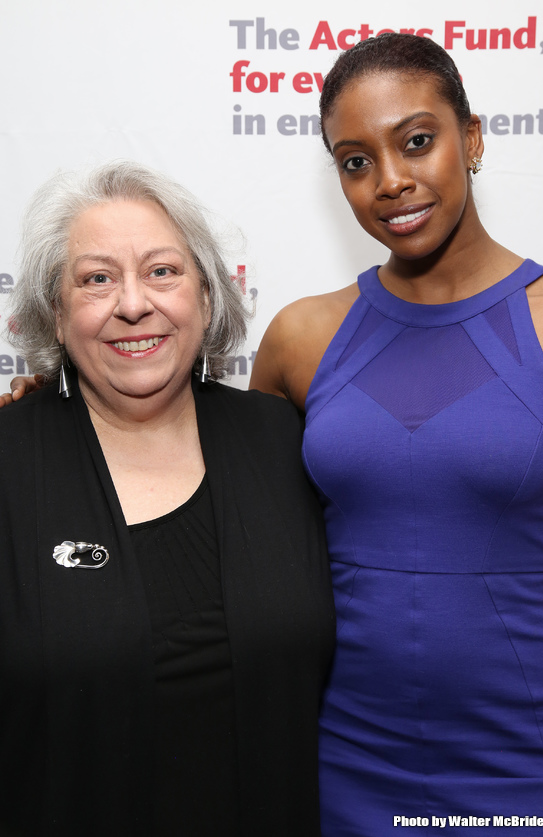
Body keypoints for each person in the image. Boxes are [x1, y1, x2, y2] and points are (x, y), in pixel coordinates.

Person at [250, 33, 543, 833]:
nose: (391, 181)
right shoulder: (301, 336)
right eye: (355, 160)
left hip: (538, 756)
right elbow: (218, 507)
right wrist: (52, 411)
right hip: (346, 753)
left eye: (416, 141)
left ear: (471, 138)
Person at [0, 161, 335, 837]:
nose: (133, 304)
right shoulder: (9, 465)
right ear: (57, 316)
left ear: (207, 299)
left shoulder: (287, 441)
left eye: (162, 271)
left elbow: (398, 561)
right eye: (96, 279)